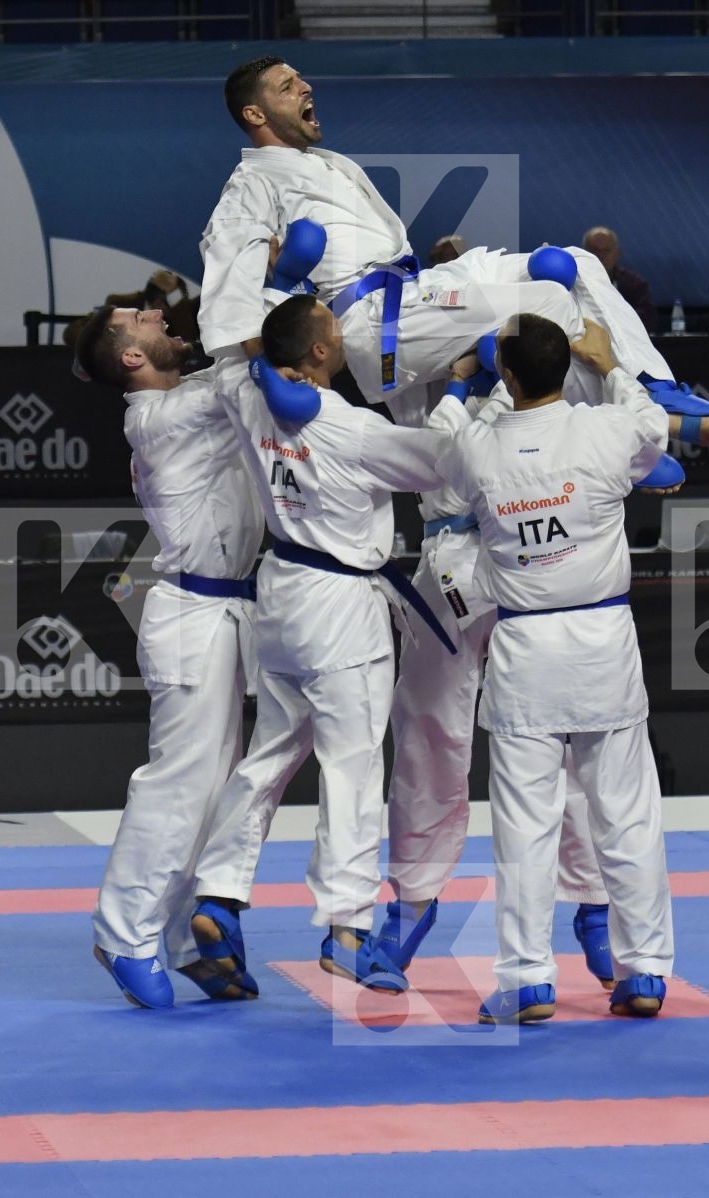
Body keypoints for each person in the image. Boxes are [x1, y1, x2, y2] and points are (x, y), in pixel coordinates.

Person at [189, 295, 453, 991]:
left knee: (268, 755)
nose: (343, 334)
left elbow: (232, 359)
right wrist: (456, 388)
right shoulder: (349, 427)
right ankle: (348, 927)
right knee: (353, 767)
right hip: (340, 608)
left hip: (281, 595)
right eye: (334, 330)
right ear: (316, 355)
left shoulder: (250, 398)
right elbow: (442, 463)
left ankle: (218, 897)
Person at [437, 315, 678, 1024]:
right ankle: (644, 973)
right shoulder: (604, 430)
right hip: (603, 639)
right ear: (564, 367)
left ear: (507, 374)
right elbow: (652, 425)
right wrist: (609, 364)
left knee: (525, 825)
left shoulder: (477, 451)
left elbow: (442, 443)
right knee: (627, 814)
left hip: (526, 653)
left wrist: (460, 385)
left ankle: (526, 979)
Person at [200, 57, 682, 404]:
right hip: (374, 316)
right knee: (549, 303)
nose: (306, 87)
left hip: (415, 288)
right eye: (287, 86)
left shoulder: (325, 162)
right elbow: (231, 298)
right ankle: (631, 416)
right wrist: (270, 370)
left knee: (574, 263)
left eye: (302, 79)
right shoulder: (250, 187)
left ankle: (656, 386)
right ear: (254, 114)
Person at [74, 304, 265, 1010]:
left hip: (227, 608)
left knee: (218, 790)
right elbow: (243, 373)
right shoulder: (158, 417)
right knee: (180, 783)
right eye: (141, 317)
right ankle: (122, 932)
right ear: (131, 358)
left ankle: (188, 938)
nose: (159, 312)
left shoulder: (185, 399)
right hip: (193, 613)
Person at [581, 226, 655, 334]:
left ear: (617, 253)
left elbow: (648, 320)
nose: (601, 256)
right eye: (594, 250)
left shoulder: (634, 284)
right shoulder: (572, 282)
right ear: (584, 253)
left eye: (606, 251)